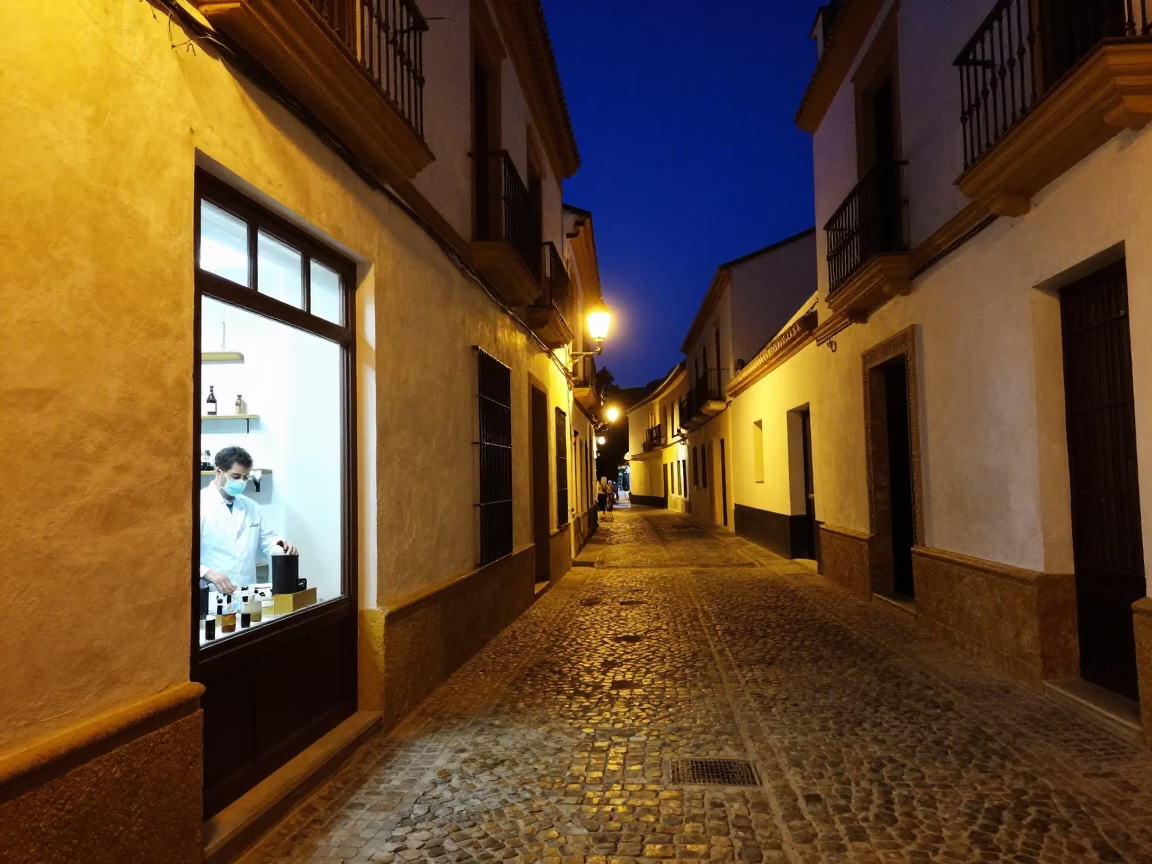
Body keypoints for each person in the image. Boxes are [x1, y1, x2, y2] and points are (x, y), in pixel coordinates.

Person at [200, 445, 297, 596]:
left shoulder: (251, 507)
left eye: (245, 478)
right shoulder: (198, 504)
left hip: (247, 593)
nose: (241, 483)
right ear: (219, 472)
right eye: (236, 477)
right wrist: (207, 573)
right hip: (210, 591)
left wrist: (281, 545)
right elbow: (182, 555)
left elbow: (268, 539)